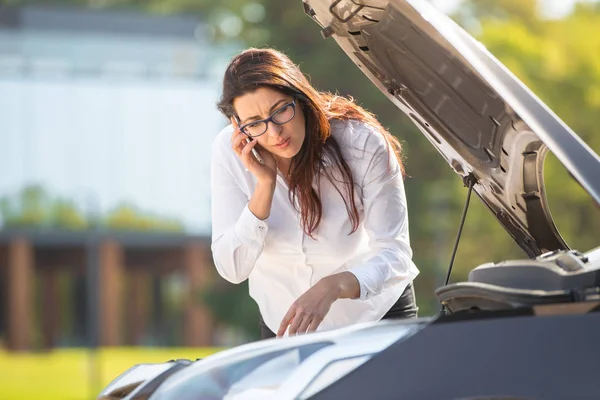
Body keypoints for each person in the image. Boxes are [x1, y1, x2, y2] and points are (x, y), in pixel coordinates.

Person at [211, 48, 419, 340]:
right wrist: (264, 187)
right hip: (285, 326)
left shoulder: (361, 144)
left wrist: (332, 287)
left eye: (281, 110)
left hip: (375, 317)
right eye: (255, 122)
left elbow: (395, 255)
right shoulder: (229, 152)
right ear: (237, 124)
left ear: (301, 97)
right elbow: (232, 268)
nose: (274, 133)